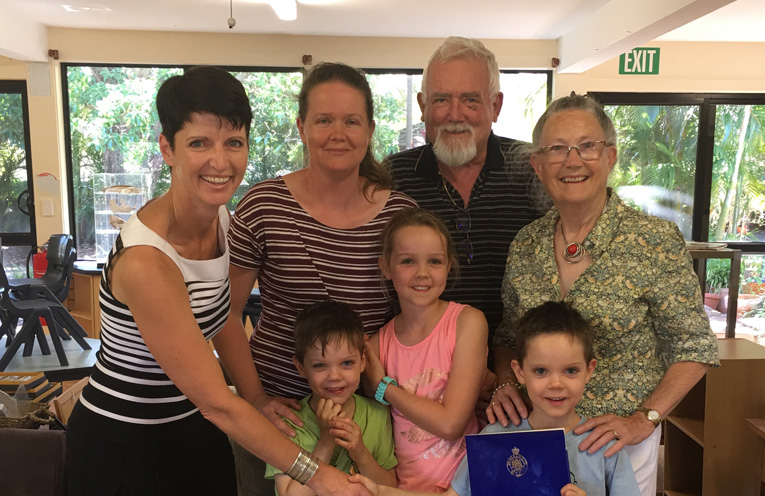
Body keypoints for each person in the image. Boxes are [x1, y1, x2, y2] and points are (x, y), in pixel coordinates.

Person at [65, 66, 369, 496]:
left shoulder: (221, 219)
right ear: (167, 149)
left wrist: (258, 396)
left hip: (191, 426)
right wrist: (319, 476)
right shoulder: (146, 262)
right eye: (199, 144)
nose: (220, 162)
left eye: (233, 143)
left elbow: (223, 316)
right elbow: (217, 401)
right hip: (124, 441)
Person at [489, 93, 720, 496]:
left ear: (610, 156)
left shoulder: (654, 241)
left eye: (587, 146)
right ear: (538, 166)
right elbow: (509, 336)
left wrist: (644, 419)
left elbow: (695, 346)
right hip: (538, 439)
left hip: (619, 442)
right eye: (557, 148)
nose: (572, 160)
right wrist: (506, 382)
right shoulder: (525, 244)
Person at [224, 62, 417, 494]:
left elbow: (418, 317)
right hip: (277, 416)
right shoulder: (264, 205)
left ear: (369, 129)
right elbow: (225, 314)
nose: (338, 133)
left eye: (351, 121)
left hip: (365, 420)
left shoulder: (399, 214)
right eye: (323, 120)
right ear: (301, 127)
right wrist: (255, 399)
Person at [351, 301, 642, 496]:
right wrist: (385, 492)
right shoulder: (494, 439)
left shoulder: (605, 445)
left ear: (589, 371)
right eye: (541, 371)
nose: (556, 384)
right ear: (520, 372)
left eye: (570, 370)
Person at [384, 36, 547, 348]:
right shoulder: (391, 178)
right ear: (422, 106)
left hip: (522, 370)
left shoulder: (532, 170)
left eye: (471, 100)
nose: (455, 114)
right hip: (417, 370)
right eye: (441, 100)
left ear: (495, 106)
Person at [363, 207, 488, 492]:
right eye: (407, 261)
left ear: (449, 266)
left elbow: (450, 424)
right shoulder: (376, 345)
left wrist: (386, 388)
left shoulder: (467, 322)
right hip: (407, 488)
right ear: (385, 267)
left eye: (434, 261)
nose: (422, 273)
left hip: (469, 485)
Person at [267, 300, 398, 495]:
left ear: (362, 361)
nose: (335, 376)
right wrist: (326, 442)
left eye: (346, 363)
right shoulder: (287, 423)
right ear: (301, 367)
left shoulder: (378, 414)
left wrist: (361, 453)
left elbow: (390, 488)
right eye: (320, 365)